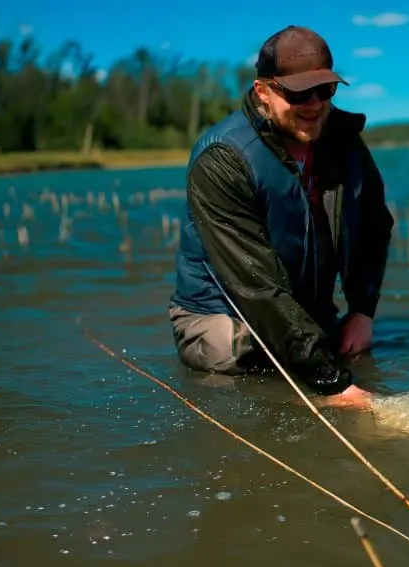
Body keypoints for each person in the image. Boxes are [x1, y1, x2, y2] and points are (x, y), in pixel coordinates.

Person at [166, 25, 393, 409]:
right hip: (226, 317)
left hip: (302, 313)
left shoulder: (345, 143)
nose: (314, 104)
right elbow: (256, 286)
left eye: (326, 90)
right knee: (252, 369)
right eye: (299, 92)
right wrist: (330, 381)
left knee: (357, 359)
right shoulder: (222, 159)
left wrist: (362, 311)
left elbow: (375, 227)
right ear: (263, 92)